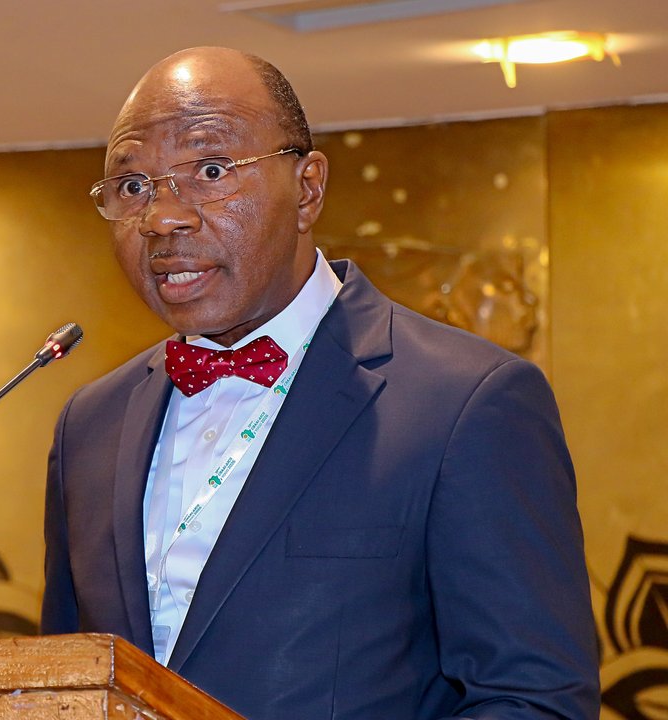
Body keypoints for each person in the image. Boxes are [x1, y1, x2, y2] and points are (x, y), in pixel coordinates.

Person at [40, 46, 598, 718]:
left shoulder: (467, 404)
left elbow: (533, 700)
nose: (162, 218)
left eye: (210, 170)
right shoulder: (90, 423)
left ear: (307, 189)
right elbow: (58, 688)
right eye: (133, 186)